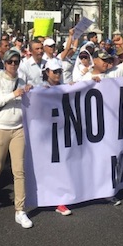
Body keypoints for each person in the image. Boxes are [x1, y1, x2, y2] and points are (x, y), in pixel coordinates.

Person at [0, 49, 34, 229]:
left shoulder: (21, 81)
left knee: (19, 171)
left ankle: (20, 210)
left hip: (18, 129)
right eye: (10, 62)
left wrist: (28, 92)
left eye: (16, 61)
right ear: (4, 63)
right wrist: (13, 94)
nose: (14, 65)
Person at [39, 58, 74, 215]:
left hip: (62, 132)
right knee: (48, 166)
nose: (58, 74)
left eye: (60, 71)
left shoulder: (65, 87)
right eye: (55, 71)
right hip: (46, 134)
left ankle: (59, 199)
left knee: (62, 165)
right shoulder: (40, 89)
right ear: (47, 72)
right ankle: (50, 197)